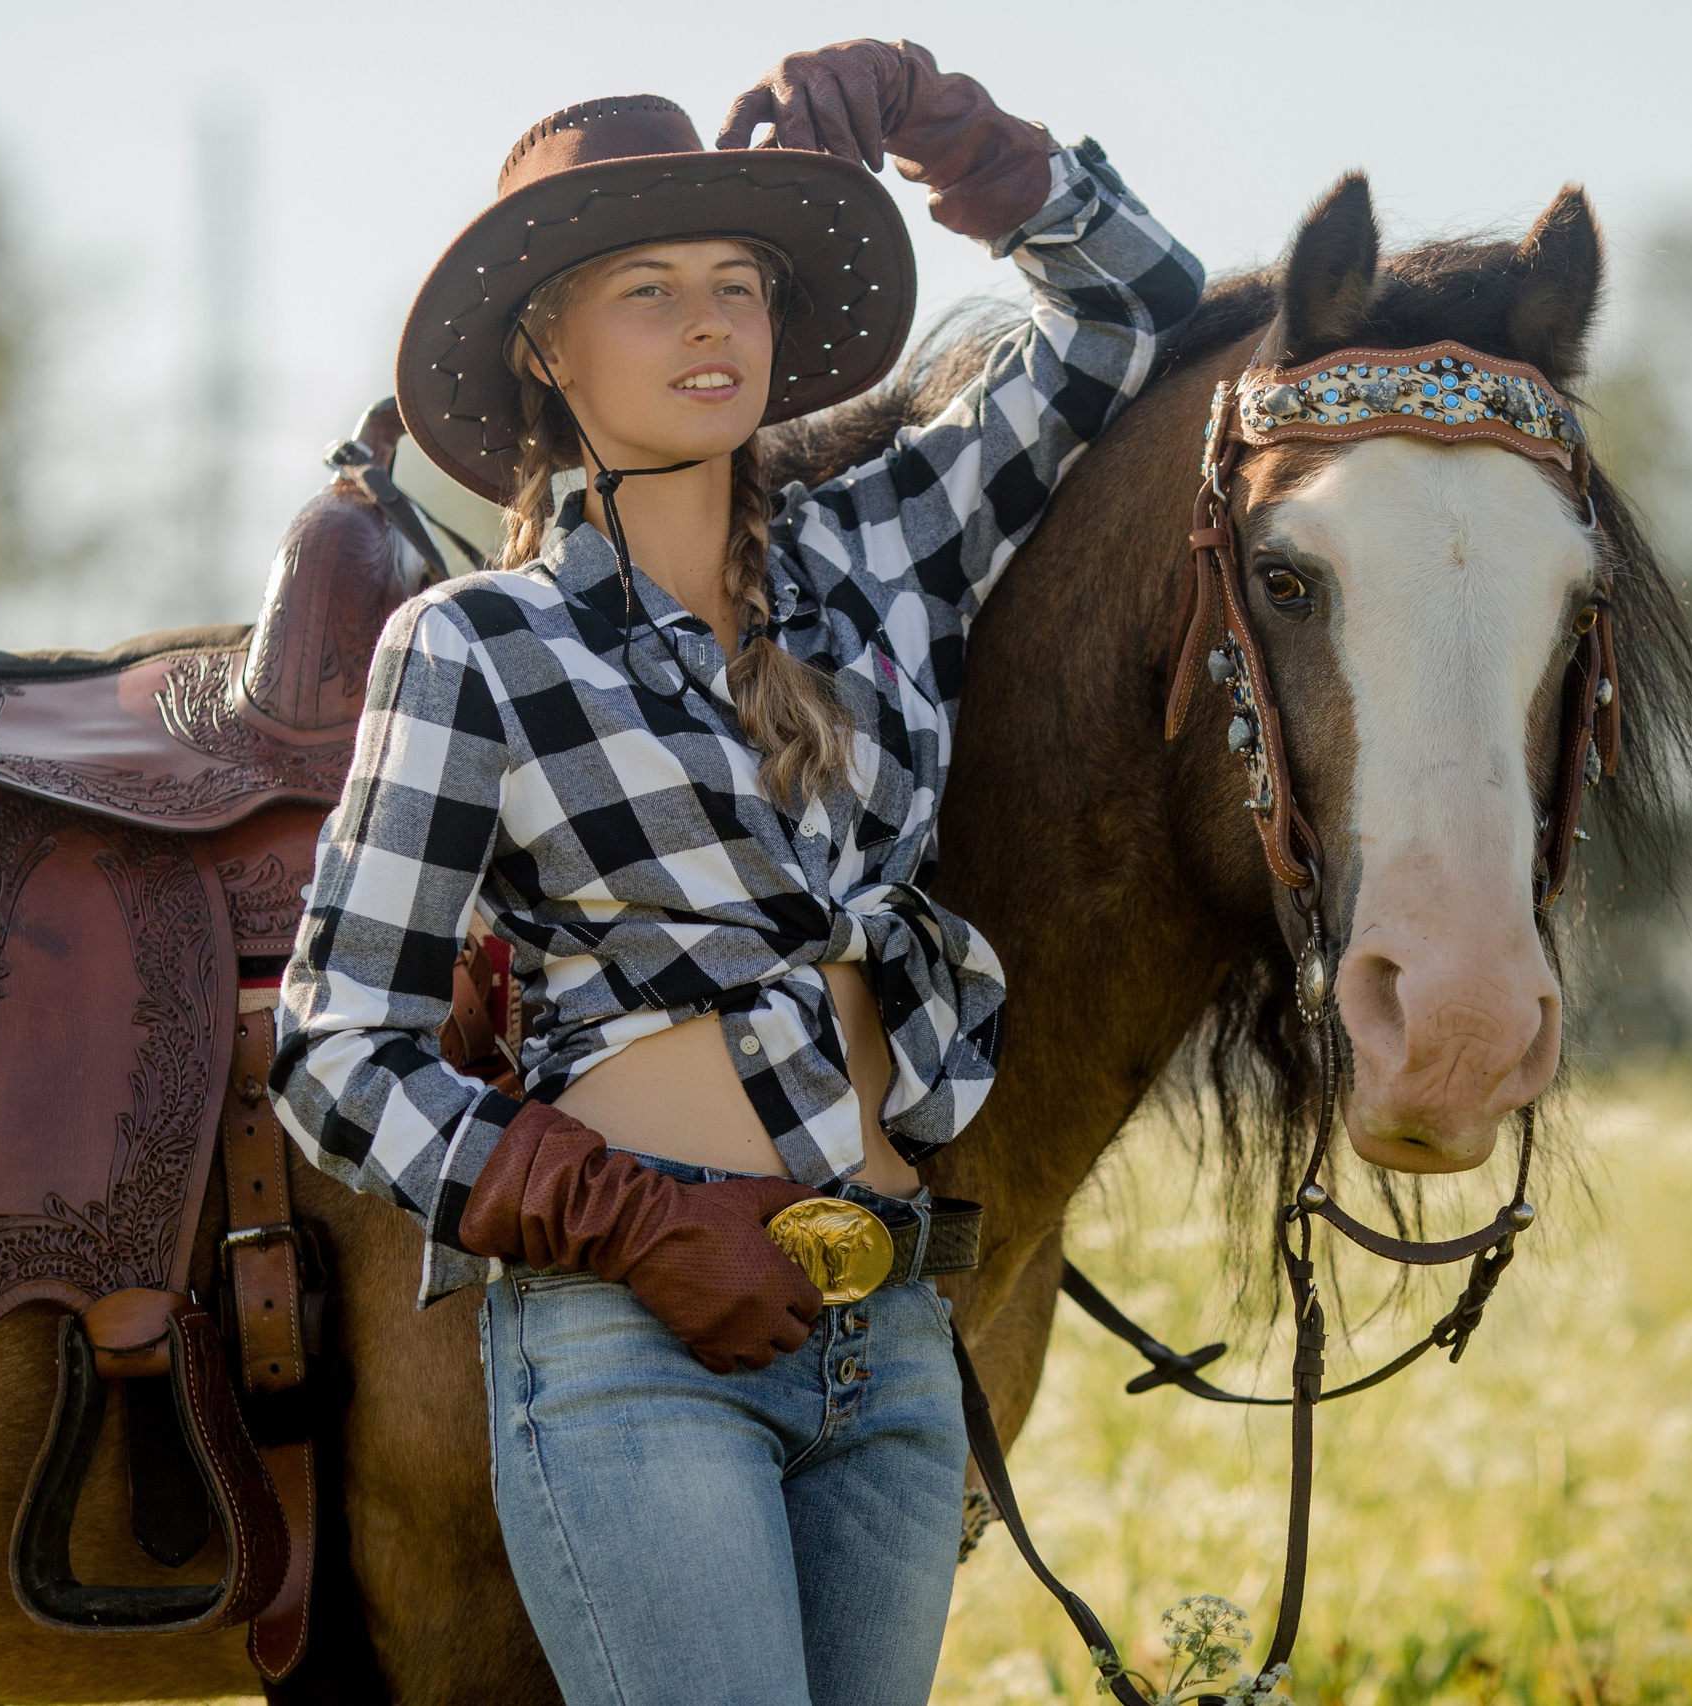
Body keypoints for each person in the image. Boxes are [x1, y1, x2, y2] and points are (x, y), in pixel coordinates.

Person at [272, 39, 1201, 1706]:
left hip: (902, 1335)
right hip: (638, 1339)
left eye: (737, 283)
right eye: (647, 289)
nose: (710, 322)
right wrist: (630, 1220)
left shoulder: (888, 550)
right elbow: (336, 1051)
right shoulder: (477, 645)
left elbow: (1135, 305)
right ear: (546, 349)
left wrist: (950, 124)